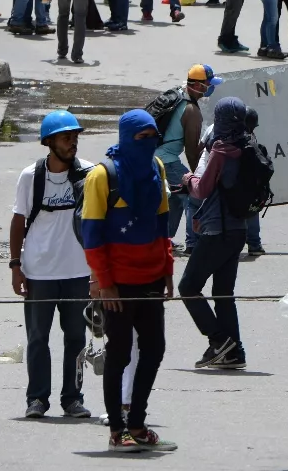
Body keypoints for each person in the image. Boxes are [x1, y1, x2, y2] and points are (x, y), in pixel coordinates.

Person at [81, 110, 177, 454]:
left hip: (151, 276)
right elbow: (91, 235)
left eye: (153, 137)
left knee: (154, 349)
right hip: (117, 284)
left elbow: (162, 224)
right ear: (126, 137)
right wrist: (103, 282)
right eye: (142, 137)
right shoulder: (102, 176)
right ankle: (117, 430)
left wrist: (167, 269)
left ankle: (137, 423)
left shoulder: (158, 168)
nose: (149, 143)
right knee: (119, 353)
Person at [10, 110, 94, 420]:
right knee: (37, 338)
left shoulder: (89, 173)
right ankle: (37, 400)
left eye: (75, 136)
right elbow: (18, 221)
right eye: (65, 137)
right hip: (39, 272)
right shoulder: (31, 176)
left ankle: (73, 398)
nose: (72, 142)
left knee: (76, 339)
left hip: (78, 272)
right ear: (49, 142)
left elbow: (99, 223)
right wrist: (15, 265)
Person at [180, 96, 257, 370]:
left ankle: (218, 341)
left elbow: (201, 190)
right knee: (223, 292)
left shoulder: (222, 150)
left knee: (188, 287)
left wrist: (188, 179)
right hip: (238, 230)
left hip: (216, 231)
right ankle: (235, 352)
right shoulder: (248, 144)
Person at [158, 64, 221, 253]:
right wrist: (197, 178)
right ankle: (193, 243)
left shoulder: (178, 94)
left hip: (155, 156)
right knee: (193, 195)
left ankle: (164, 240)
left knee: (176, 198)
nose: (211, 87)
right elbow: (192, 151)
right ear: (199, 86)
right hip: (166, 160)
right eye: (209, 84)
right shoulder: (192, 111)